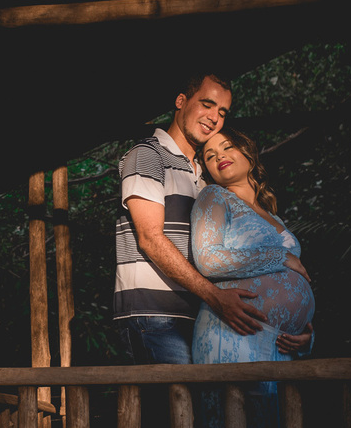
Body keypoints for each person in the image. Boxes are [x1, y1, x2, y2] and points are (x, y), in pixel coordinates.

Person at [115, 73, 268, 366]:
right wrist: (214, 296)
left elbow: (231, 254)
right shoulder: (147, 154)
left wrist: (289, 315)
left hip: (199, 315)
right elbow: (150, 239)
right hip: (155, 317)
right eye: (207, 105)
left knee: (199, 410)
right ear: (181, 101)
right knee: (176, 412)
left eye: (222, 112)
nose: (214, 118)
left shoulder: (205, 176)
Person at [191, 127, 315, 428]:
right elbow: (209, 261)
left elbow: (293, 283)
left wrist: (306, 333)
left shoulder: (273, 214)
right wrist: (281, 257)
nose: (218, 156)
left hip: (279, 345)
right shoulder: (213, 197)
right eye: (209, 155)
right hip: (232, 334)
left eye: (227, 146)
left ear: (249, 154)